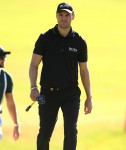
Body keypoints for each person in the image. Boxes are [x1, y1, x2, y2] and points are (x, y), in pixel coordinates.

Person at [29, 2, 93, 150]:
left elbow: (84, 71)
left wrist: (89, 97)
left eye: (67, 15)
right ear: (57, 16)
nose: (64, 18)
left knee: (71, 130)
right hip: (48, 93)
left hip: (70, 93)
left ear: (73, 17)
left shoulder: (79, 41)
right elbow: (34, 64)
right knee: (45, 132)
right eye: (61, 15)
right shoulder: (45, 38)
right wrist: (33, 86)